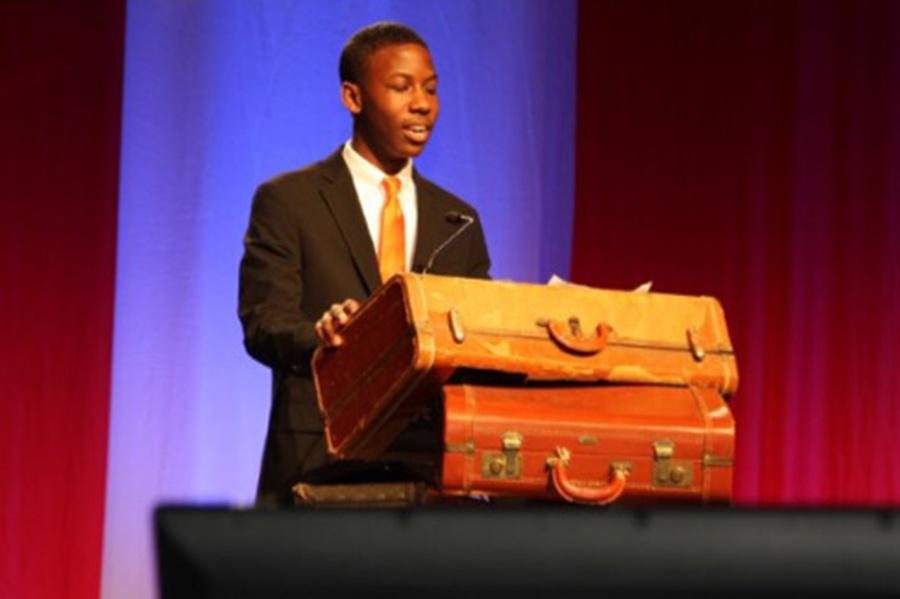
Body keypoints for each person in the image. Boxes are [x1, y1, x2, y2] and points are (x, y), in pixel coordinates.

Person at [238, 21, 491, 506]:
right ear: (353, 98)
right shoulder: (290, 201)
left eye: (431, 89)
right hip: (318, 468)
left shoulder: (457, 219)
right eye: (401, 87)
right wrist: (323, 335)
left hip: (428, 474)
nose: (422, 104)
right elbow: (263, 323)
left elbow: (474, 340)